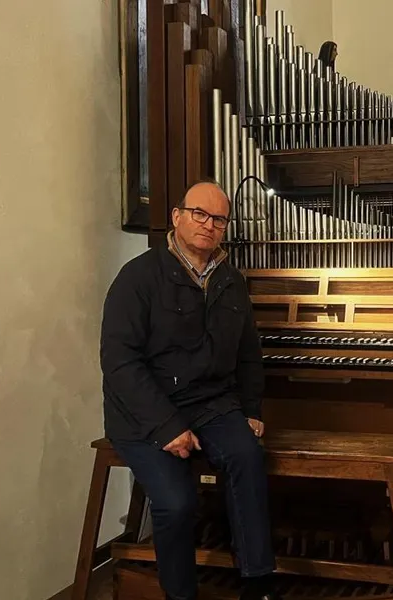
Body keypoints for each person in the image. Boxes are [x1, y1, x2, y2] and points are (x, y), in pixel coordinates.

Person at [100, 180, 278, 600]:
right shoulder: (138, 277)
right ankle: (181, 595)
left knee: (248, 457)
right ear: (177, 217)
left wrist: (251, 408)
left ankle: (258, 583)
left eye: (219, 219)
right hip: (144, 413)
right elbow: (120, 362)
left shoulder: (231, 281)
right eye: (200, 213)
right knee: (176, 503)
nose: (209, 224)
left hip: (211, 404)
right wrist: (165, 426)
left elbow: (249, 354)